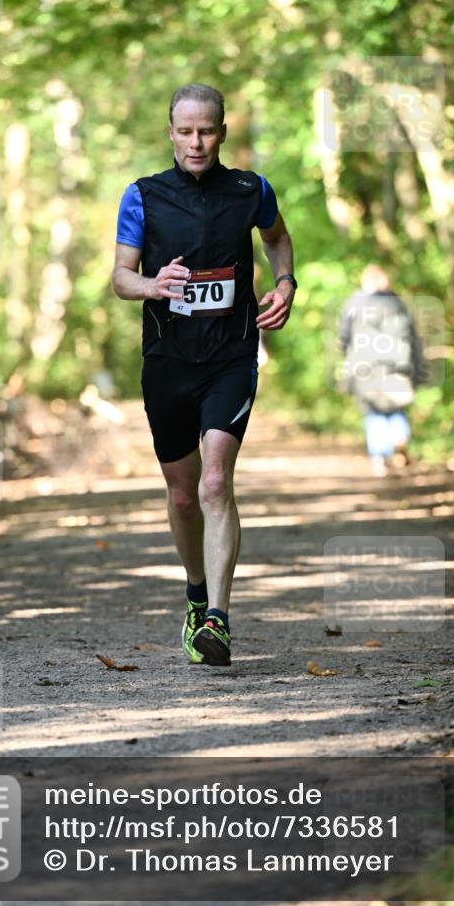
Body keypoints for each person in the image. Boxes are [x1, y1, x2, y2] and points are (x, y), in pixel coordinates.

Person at [112, 83, 296, 666]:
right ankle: (195, 593)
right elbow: (120, 277)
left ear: (222, 131)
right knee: (183, 495)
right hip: (167, 361)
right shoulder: (143, 196)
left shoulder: (250, 189)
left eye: (207, 131)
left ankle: (217, 617)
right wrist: (152, 285)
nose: (197, 142)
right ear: (171, 132)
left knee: (216, 483)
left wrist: (286, 283)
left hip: (231, 356)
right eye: (186, 131)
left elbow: (277, 239)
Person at [339, 265, 427, 477]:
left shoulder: (354, 303)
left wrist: (348, 362)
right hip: (398, 366)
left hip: (365, 368)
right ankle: (400, 438)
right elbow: (413, 339)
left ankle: (379, 459)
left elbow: (344, 337)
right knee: (396, 408)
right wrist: (418, 370)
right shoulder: (399, 304)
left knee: (374, 412)